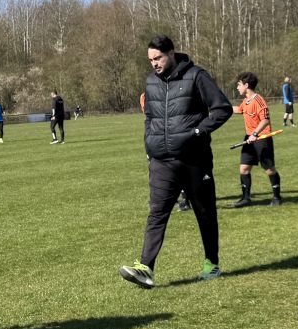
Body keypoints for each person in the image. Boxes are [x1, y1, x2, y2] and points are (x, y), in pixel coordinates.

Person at [119, 36, 232, 287]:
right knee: (157, 213)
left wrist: (198, 132)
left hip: (195, 160)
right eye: (151, 60)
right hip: (161, 162)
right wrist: (149, 146)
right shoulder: (151, 82)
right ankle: (145, 268)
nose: (154, 64)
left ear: (171, 53)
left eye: (158, 58)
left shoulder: (196, 76)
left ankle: (211, 264)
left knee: (204, 212)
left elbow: (222, 108)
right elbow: (150, 118)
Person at [231, 73, 281, 208]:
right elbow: (239, 109)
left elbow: (265, 120)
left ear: (246, 85)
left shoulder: (259, 101)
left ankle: (277, 197)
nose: (237, 87)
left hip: (261, 138)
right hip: (249, 138)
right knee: (244, 168)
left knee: (269, 169)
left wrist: (255, 134)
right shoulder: (246, 101)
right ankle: (246, 198)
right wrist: (221, 107)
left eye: (239, 85)